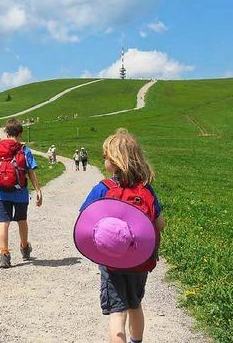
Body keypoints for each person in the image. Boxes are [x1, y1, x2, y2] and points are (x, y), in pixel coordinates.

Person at [77, 129, 165, 343]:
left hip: (111, 263)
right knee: (135, 306)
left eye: (105, 157)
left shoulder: (102, 188)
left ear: (115, 161)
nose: (104, 160)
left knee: (117, 313)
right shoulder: (147, 190)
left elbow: (84, 221)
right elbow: (159, 224)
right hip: (140, 260)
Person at [0, 118, 42, 268]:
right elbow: (30, 171)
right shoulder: (24, 150)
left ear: (6, 132)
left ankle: (4, 254)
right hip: (21, 193)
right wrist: (38, 190)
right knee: (21, 221)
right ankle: (25, 248)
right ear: (20, 133)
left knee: (3, 223)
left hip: (2, 193)